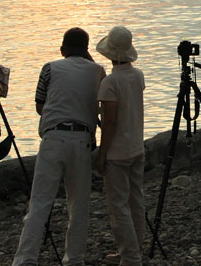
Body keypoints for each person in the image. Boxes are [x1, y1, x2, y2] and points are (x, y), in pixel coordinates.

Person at [12, 28, 105, 266]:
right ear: (86, 49)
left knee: (40, 204)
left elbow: (40, 106)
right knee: (79, 205)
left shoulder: (49, 68)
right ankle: (74, 259)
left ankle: (25, 260)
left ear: (62, 48)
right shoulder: (98, 71)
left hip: (53, 139)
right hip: (82, 141)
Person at [95, 26, 146, 266]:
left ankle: (130, 257)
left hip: (117, 152)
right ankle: (134, 249)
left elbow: (109, 122)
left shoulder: (109, 83)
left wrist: (102, 154)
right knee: (136, 200)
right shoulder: (138, 76)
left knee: (118, 206)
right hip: (137, 146)